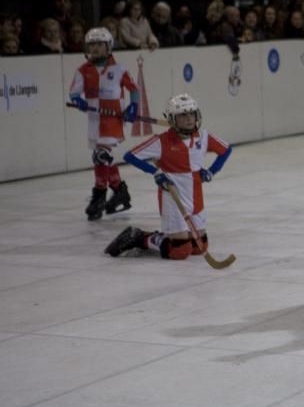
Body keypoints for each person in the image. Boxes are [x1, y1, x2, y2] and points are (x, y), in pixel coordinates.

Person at [105, 94, 232, 259]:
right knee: (180, 251)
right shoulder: (162, 141)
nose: (189, 119)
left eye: (192, 113)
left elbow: (226, 150)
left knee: (199, 247)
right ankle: (142, 238)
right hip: (172, 196)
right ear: (173, 119)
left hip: (195, 196)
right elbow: (130, 156)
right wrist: (156, 172)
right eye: (183, 115)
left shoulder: (204, 137)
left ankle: (168, 236)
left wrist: (211, 171)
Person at [67, 27, 139, 220]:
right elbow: (73, 93)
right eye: (92, 44)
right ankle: (119, 191)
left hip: (113, 119)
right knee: (105, 157)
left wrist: (133, 107)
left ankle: (99, 196)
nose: (96, 48)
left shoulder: (119, 69)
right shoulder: (83, 70)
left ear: (108, 46)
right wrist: (77, 100)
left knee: (100, 155)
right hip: (95, 120)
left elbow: (133, 89)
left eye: (100, 44)